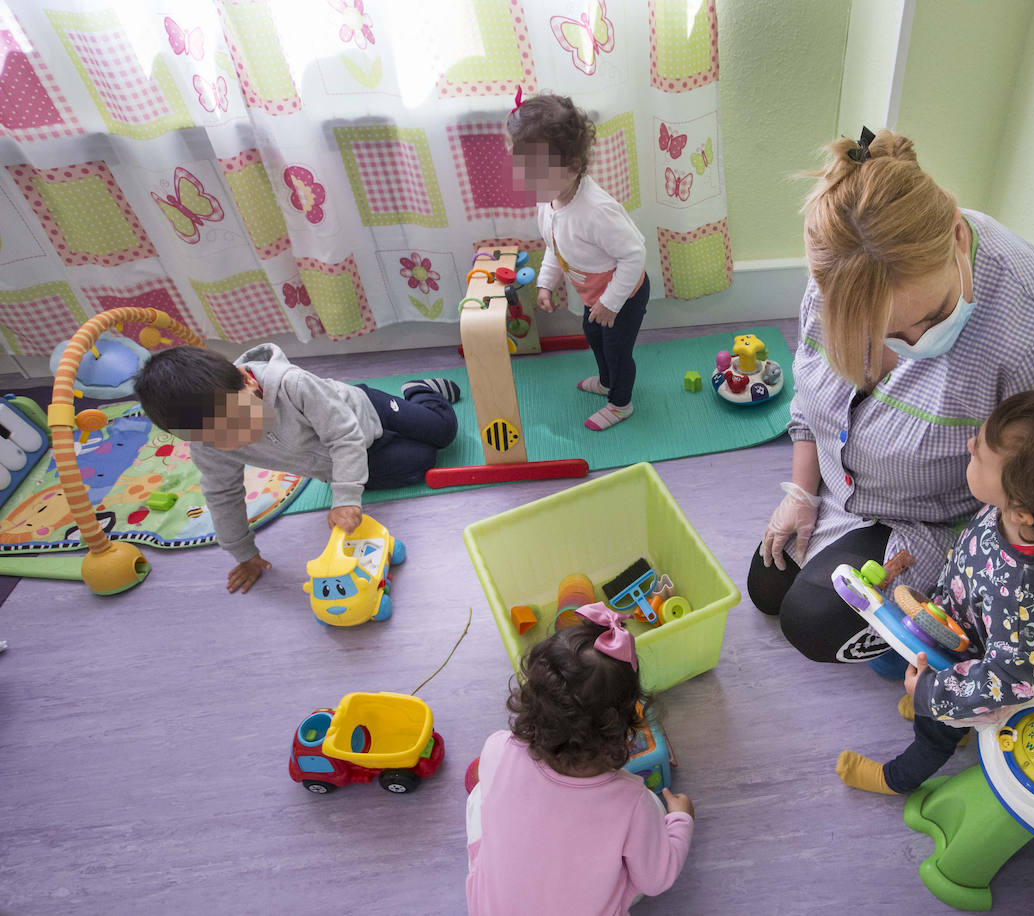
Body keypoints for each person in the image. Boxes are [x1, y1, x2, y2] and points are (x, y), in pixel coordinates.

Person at [748, 128, 1034, 673]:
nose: (913, 346)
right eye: (883, 334)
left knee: (811, 623)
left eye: (932, 318)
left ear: (959, 237)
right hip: (846, 485)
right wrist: (801, 489)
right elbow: (813, 389)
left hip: (937, 525)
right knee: (766, 588)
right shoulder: (843, 271)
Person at [835, 387, 1034, 795]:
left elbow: (1014, 677)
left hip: (964, 669)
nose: (970, 443)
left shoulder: (1019, 591)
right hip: (958, 627)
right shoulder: (1020, 519)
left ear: (1021, 509)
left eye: (979, 452)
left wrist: (936, 693)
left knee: (934, 737)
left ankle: (896, 779)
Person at [133, 345, 460, 594]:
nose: (237, 438)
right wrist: (243, 553)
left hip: (360, 412)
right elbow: (222, 494)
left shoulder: (292, 384)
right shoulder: (208, 444)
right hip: (342, 461)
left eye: (238, 421)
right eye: (216, 437)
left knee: (442, 432)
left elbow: (344, 435)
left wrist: (346, 499)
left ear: (248, 380)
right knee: (422, 459)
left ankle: (419, 390)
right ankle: (362, 469)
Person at [465, 605, 695, 914]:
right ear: (622, 725)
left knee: (480, 794)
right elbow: (656, 879)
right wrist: (681, 820)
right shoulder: (630, 800)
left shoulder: (497, 747)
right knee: (652, 810)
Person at [507, 91, 650, 431]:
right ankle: (605, 381)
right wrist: (545, 282)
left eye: (536, 174)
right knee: (592, 334)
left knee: (616, 350)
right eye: (522, 171)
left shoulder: (596, 211)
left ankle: (621, 403)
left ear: (572, 168)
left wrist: (612, 303)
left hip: (624, 296)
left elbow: (634, 254)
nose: (527, 183)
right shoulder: (549, 201)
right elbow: (557, 247)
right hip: (594, 297)